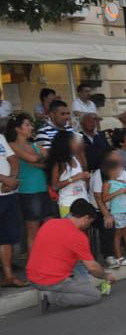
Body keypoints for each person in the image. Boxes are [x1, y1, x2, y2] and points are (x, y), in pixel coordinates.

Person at [26, 199, 115, 313]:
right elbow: (92, 267)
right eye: (90, 222)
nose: (88, 226)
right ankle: (52, 298)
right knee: (94, 296)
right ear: (86, 218)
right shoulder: (78, 237)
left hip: (32, 276)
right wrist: (105, 276)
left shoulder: (50, 223)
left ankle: (55, 292)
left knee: (80, 280)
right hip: (51, 279)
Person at [6, 114, 56, 255]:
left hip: (44, 189)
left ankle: (50, 260)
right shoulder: (12, 145)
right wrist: (40, 157)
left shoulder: (34, 144)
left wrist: (37, 162)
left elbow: (50, 159)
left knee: (50, 228)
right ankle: (35, 265)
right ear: (18, 129)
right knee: (33, 231)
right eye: (27, 125)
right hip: (28, 192)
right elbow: (33, 157)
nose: (31, 127)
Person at [0, 130, 27, 288]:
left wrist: (13, 179)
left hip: (7, 195)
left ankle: (9, 276)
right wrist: (5, 179)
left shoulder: (1, 137)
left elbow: (13, 160)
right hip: (6, 186)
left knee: (6, 238)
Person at [47, 131, 89, 217]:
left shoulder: (77, 158)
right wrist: (73, 178)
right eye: (73, 141)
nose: (76, 144)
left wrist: (86, 177)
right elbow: (55, 186)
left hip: (83, 201)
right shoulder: (59, 163)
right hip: (68, 204)